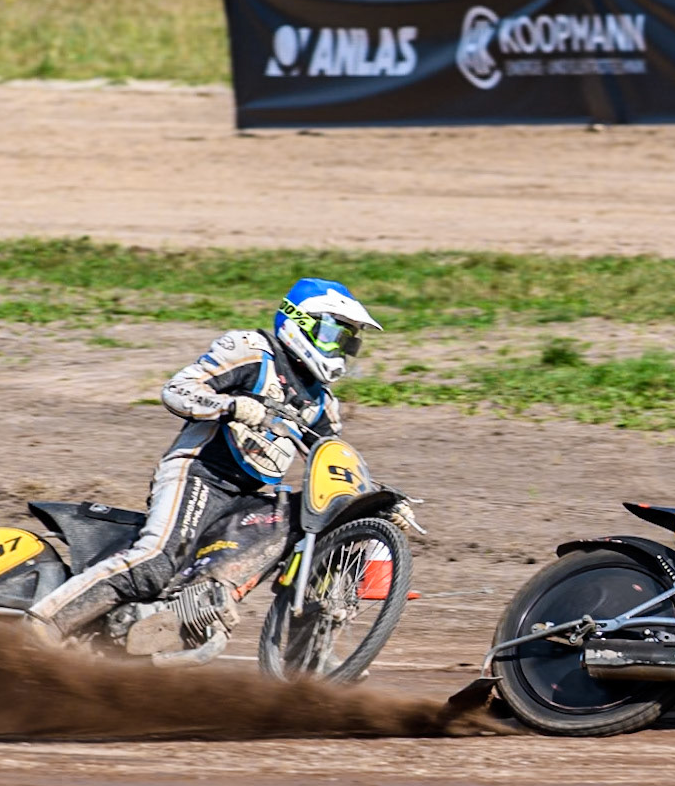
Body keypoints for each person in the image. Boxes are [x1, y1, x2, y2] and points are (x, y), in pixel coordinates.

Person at [26, 277, 404, 656]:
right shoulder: (253, 352)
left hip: (248, 496)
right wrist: (231, 406)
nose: (340, 348)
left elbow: (331, 460)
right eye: (334, 335)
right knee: (154, 563)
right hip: (197, 473)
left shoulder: (321, 401)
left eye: (347, 341)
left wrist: (373, 499)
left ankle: (311, 660)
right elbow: (178, 389)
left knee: (320, 520)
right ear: (300, 321)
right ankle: (39, 628)